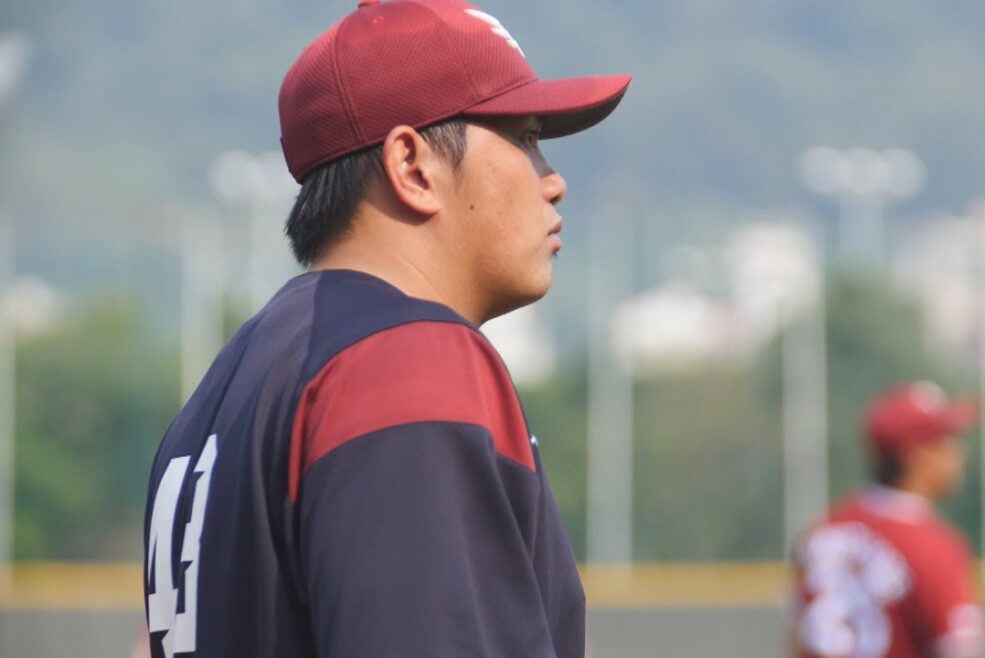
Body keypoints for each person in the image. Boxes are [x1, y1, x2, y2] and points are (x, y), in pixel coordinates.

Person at [142, 1, 630, 656]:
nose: (553, 180)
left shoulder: (220, 394)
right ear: (412, 165)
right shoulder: (407, 357)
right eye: (523, 136)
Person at [792, 381, 985, 658]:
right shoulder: (933, 546)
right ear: (916, 453)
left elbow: (799, 641)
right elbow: (960, 650)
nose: (958, 452)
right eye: (946, 439)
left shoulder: (820, 533)